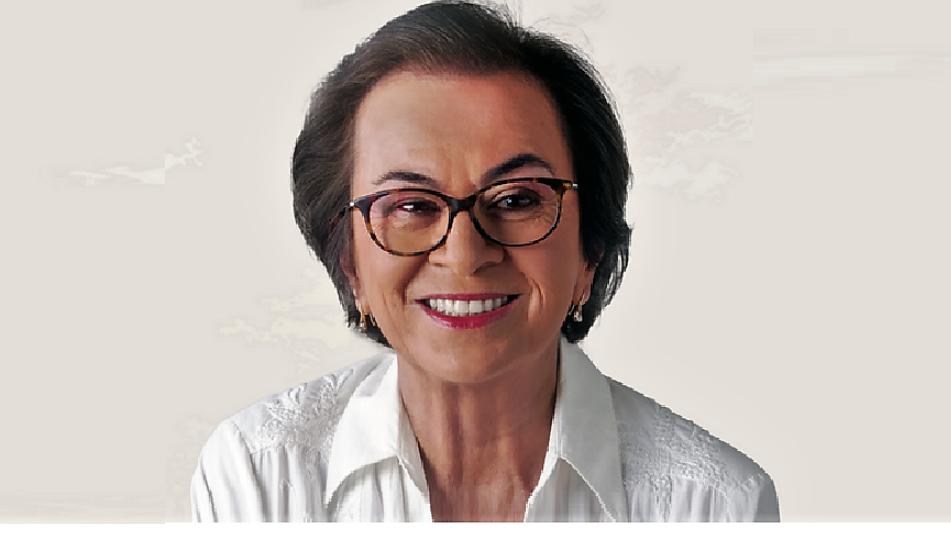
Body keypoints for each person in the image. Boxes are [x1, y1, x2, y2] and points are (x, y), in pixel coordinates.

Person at [190, 0, 779, 522]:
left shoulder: (714, 505)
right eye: (411, 205)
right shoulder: (259, 475)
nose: (465, 255)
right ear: (348, 263)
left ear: (590, 251)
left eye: (517, 199)